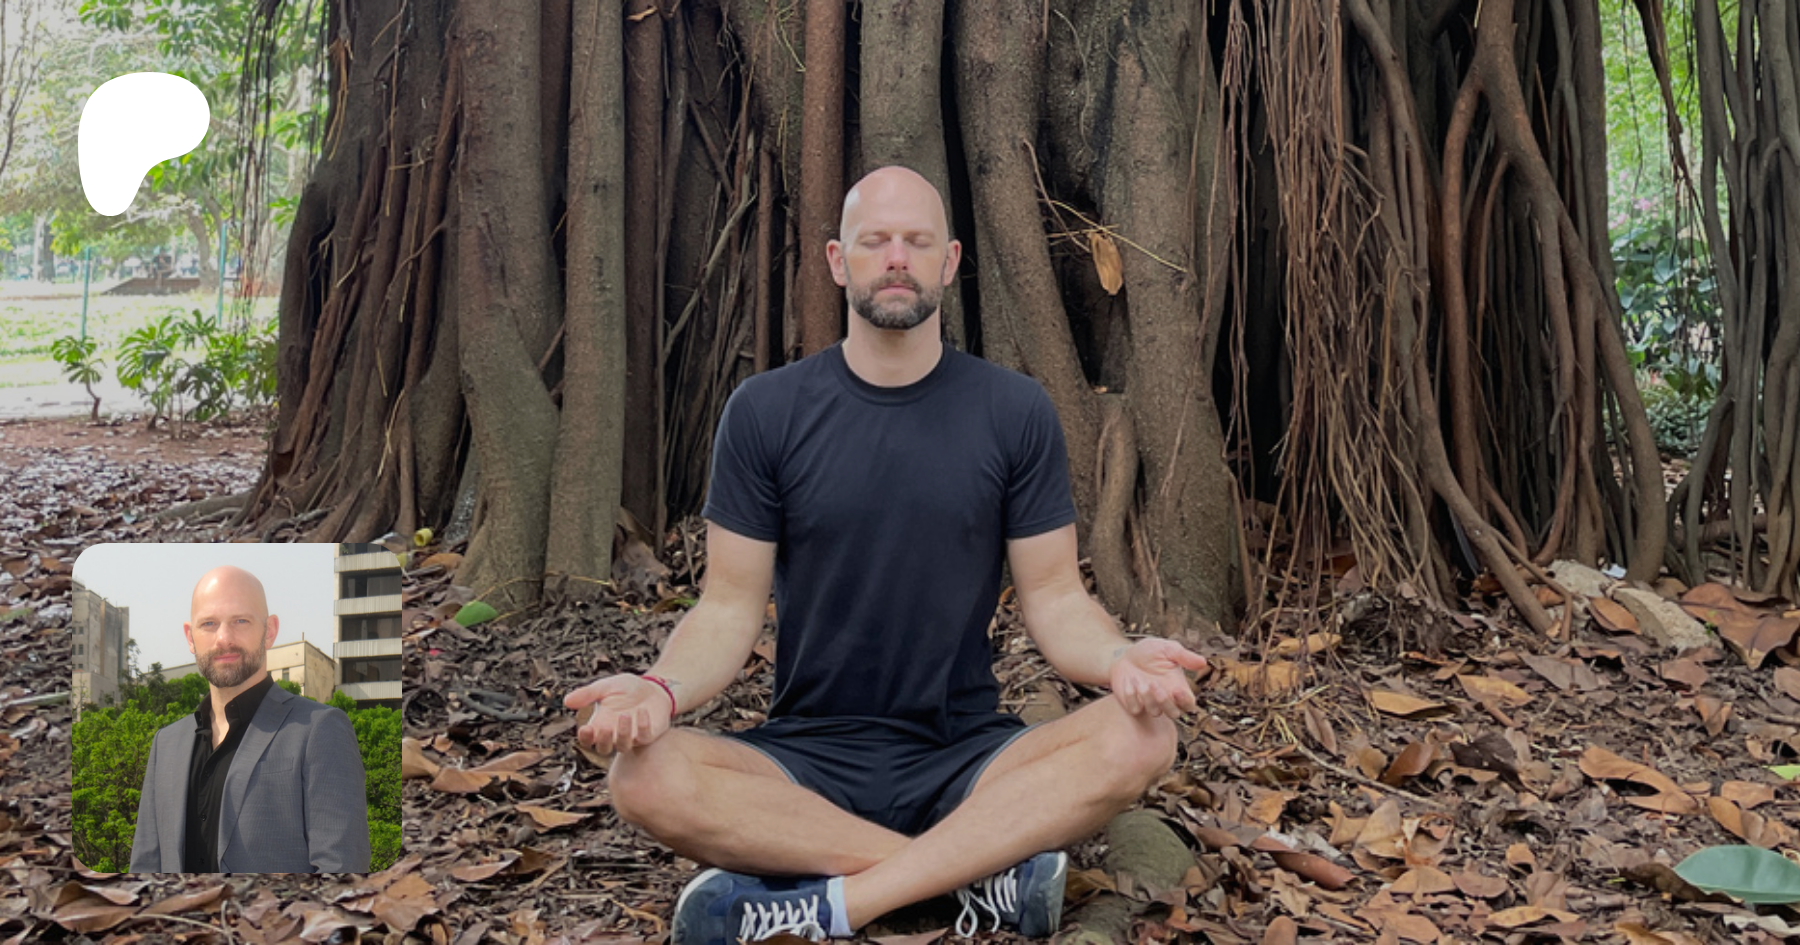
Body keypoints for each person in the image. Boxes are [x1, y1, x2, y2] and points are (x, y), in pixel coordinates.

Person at [563, 166, 1209, 944]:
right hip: (806, 758)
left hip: (966, 753)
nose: (897, 258)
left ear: (950, 261)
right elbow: (727, 609)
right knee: (642, 775)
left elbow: (1057, 598)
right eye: (875, 241)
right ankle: (969, 874)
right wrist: (659, 690)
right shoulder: (765, 413)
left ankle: (837, 902)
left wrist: (1119, 659)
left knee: (1143, 735)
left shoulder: (1014, 411)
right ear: (838, 261)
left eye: (917, 241)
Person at [130, 565, 371, 873]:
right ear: (190, 637)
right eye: (209, 623)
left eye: (240, 621)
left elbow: (342, 872)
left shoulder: (320, 729)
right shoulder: (165, 744)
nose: (224, 639)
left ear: (269, 631)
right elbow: (144, 871)